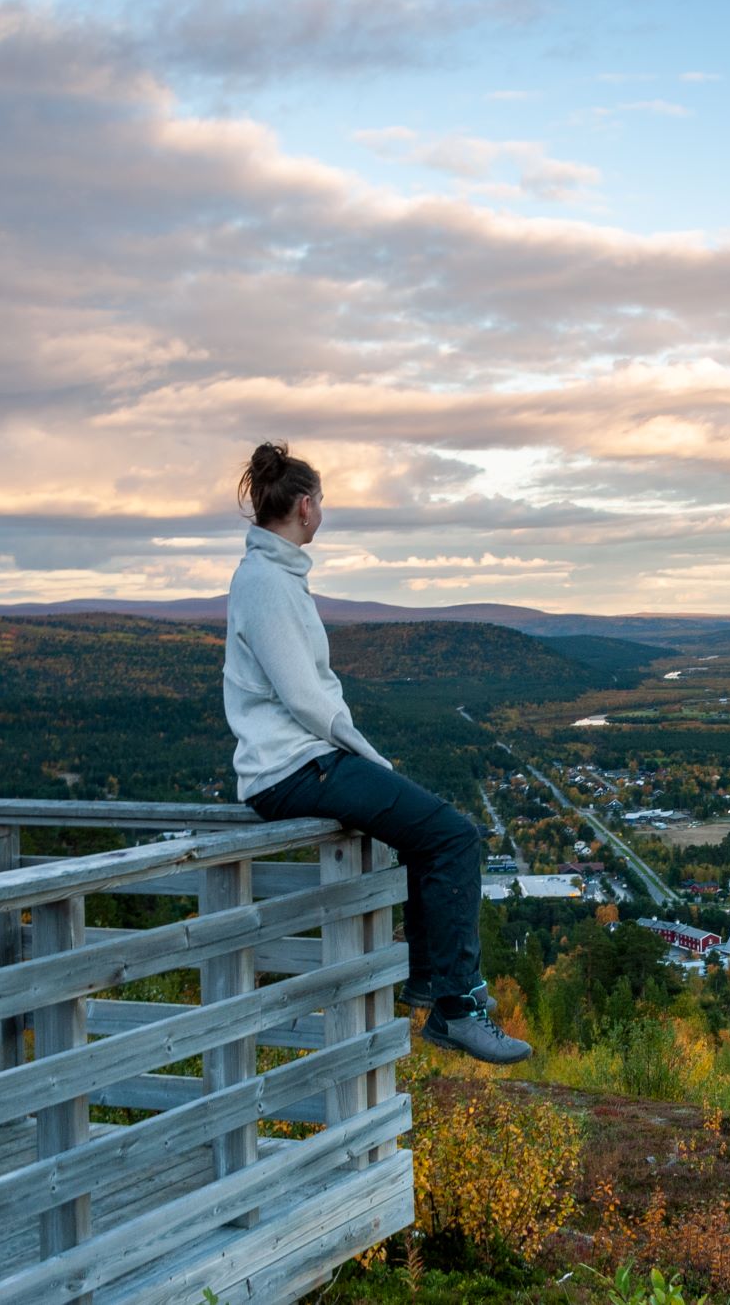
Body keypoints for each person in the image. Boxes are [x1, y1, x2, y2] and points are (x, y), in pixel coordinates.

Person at [225, 440, 530, 1065]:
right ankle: (456, 1009)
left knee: (429, 833)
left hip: (295, 763)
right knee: (454, 836)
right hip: (292, 768)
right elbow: (305, 696)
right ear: (306, 507)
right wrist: (367, 755)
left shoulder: (271, 576)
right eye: (323, 505)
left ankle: (428, 978)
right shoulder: (265, 583)